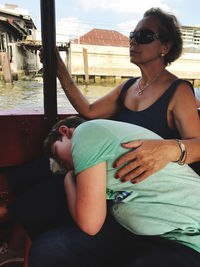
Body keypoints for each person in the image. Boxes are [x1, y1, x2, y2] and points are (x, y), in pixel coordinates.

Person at [1, 6, 200, 266]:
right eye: (132, 35)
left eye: (144, 36)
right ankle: (16, 239)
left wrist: (168, 150)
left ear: (165, 46)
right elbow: (88, 111)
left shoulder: (179, 92)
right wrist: (60, 70)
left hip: (149, 192)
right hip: (112, 184)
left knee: (52, 186)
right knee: (43, 169)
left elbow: (198, 144)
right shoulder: (129, 87)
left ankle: (13, 233)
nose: (133, 41)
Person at [37, 115, 200, 266]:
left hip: (190, 237)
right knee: (48, 250)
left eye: (58, 156)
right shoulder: (101, 156)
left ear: (65, 132)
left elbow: (90, 224)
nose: (64, 166)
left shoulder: (84, 133)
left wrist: (68, 181)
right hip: (158, 237)